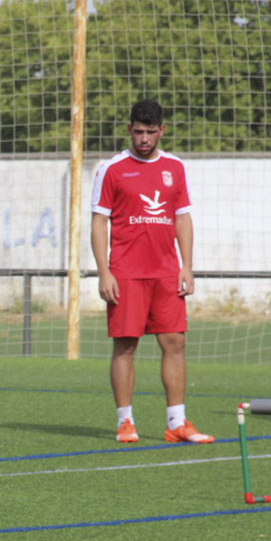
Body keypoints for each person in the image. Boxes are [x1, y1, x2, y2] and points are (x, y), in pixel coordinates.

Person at [91, 99, 214, 445]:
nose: (144, 139)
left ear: (162, 130)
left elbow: (182, 217)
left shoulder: (175, 167)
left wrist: (186, 266)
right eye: (138, 131)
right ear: (129, 129)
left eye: (150, 132)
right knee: (125, 346)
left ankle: (176, 423)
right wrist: (104, 271)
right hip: (126, 272)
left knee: (175, 342)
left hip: (165, 272)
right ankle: (125, 422)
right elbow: (99, 222)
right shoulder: (111, 169)